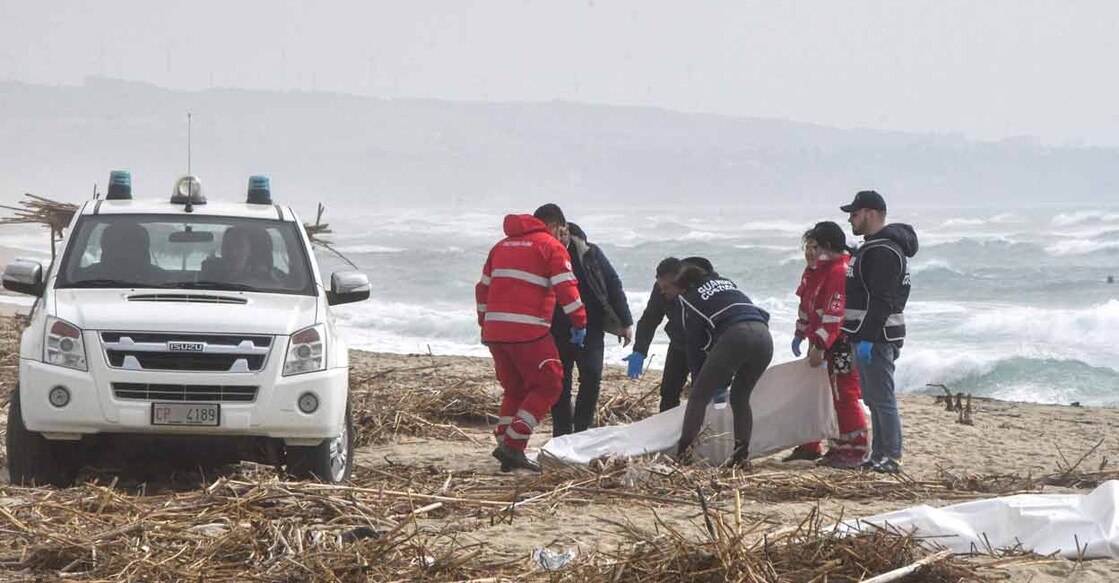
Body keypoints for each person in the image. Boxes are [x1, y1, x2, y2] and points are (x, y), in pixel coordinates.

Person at [475, 203, 587, 472]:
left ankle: (505, 441)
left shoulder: (501, 246)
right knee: (550, 383)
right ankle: (514, 445)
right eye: (561, 231)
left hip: (495, 331)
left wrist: (485, 323)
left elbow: (482, 290)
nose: (562, 237)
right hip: (528, 331)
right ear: (553, 226)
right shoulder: (550, 246)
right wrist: (580, 322)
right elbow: (566, 288)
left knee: (516, 389)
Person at [840, 190, 919, 474]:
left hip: (878, 336)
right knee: (872, 397)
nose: (851, 218)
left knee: (882, 398)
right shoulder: (872, 248)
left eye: (854, 213)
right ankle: (878, 454)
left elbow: (881, 299)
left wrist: (868, 339)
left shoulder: (882, 251)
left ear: (870, 214)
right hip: (869, 334)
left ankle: (892, 457)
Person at [669, 264, 773, 468]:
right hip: (764, 336)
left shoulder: (689, 299)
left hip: (736, 335)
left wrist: (700, 379)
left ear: (686, 286)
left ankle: (683, 454)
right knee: (741, 398)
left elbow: (695, 344)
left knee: (698, 396)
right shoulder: (727, 283)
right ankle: (741, 456)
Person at [783, 222, 869, 468]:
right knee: (822, 394)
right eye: (808, 247)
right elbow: (808, 305)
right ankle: (826, 446)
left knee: (845, 394)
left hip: (839, 343)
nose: (811, 252)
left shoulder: (838, 271)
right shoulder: (816, 271)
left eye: (815, 246)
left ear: (827, 246)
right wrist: (801, 333)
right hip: (822, 341)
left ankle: (856, 448)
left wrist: (820, 344)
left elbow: (835, 314)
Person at [549, 222, 634, 436]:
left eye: (564, 234)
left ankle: (581, 431)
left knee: (592, 376)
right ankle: (561, 434)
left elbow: (613, 283)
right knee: (560, 383)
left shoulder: (590, 253)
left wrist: (625, 322)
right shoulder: (544, 254)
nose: (561, 238)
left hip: (591, 325)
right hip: (555, 327)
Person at [626, 256, 716, 412]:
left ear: (679, 282)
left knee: (701, 393)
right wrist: (639, 351)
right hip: (679, 343)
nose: (662, 291)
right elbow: (650, 318)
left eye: (666, 288)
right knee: (668, 391)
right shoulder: (661, 288)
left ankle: (699, 430)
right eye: (660, 286)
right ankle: (666, 431)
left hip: (705, 347)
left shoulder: (705, 286)